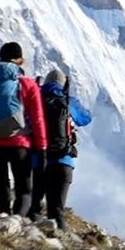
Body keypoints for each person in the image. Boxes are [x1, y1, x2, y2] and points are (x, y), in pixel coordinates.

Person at [0, 42, 47, 216]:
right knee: (24, 192)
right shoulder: (28, 85)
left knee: (2, 195)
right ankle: (17, 225)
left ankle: (2, 226)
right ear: (20, 60)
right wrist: (42, 148)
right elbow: (38, 119)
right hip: (19, 146)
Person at [28, 68, 91, 231]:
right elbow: (86, 118)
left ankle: (29, 238)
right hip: (64, 162)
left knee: (32, 207)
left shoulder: (36, 98)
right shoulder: (68, 101)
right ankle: (60, 241)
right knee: (57, 211)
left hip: (38, 161)